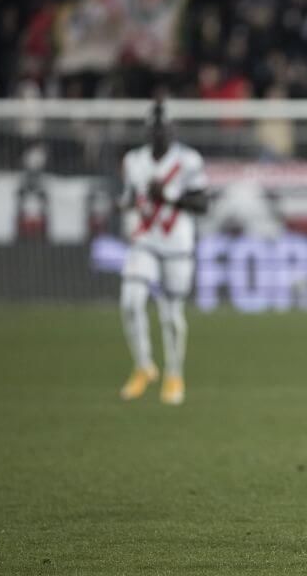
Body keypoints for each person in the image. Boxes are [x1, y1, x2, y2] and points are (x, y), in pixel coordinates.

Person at [118, 99, 209, 405]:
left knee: (171, 314)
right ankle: (144, 365)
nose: (159, 134)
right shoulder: (133, 161)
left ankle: (174, 374)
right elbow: (131, 198)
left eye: (164, 128)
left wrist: (168, 196)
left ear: (173, 129)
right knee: (131, 302)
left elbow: (202, 203)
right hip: (145, 240)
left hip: (177, 244)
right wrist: (125, 207)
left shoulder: (189, 161)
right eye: (155, 129)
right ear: (148, 131)